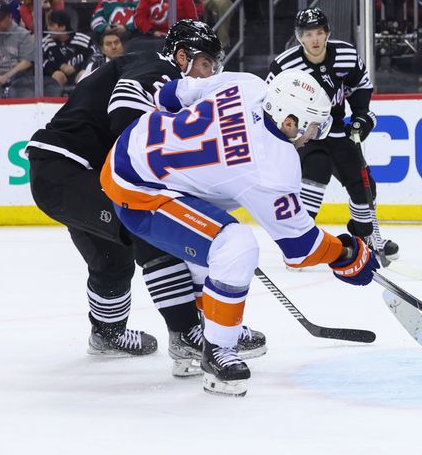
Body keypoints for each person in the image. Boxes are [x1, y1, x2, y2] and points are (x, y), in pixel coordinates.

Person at [100, 69, 379, 396]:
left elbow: (171, 94)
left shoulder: (248, 85)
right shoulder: (274, 168)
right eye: (312, 126)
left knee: (217, 232)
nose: (313, 135)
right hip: (138, 189)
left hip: (135, 141)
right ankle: (217, 351)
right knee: (235, 245)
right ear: (289, 122)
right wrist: (346, 254)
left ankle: (212, 322)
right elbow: (301, 249)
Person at [27, 20, 266, 376]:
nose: (209, 74)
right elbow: (124, 114)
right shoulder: (162, 69)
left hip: (71, 175)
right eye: (205, 64)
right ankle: (188, 330)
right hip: (70, 171)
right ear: (182, 56)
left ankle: (107, 333)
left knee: (114, 258)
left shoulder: (155, 71)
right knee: (147, 225)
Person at [266, 7, 400, 262]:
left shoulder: (346, 55)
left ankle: (365, 236)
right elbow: (268, 100)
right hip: (304, 136)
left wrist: (361, 116)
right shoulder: (285, 65)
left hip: (338, 130)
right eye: (307, 34)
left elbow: (360, 86)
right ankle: (299, 242)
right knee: (314, 177)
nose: (314, 40)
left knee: (364, 187)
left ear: (327, 33)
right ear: (299, 37)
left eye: (319, 32)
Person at [42, 10, 99, 93]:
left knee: (83, 75)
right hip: (57, 76)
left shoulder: (83, 40)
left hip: (78, 74)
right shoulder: (46, 42)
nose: (48, 28)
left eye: (51, 25)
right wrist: (59, 66)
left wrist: (77, 68)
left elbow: (96, 57)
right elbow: (40, 62)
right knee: (58, 75)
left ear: (62, 27)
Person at [0, 0, 33, 98]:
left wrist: (6, 76)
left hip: (15, 77)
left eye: (0, 19)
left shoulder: (22, 34)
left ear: (10, 17)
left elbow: (27, 62)